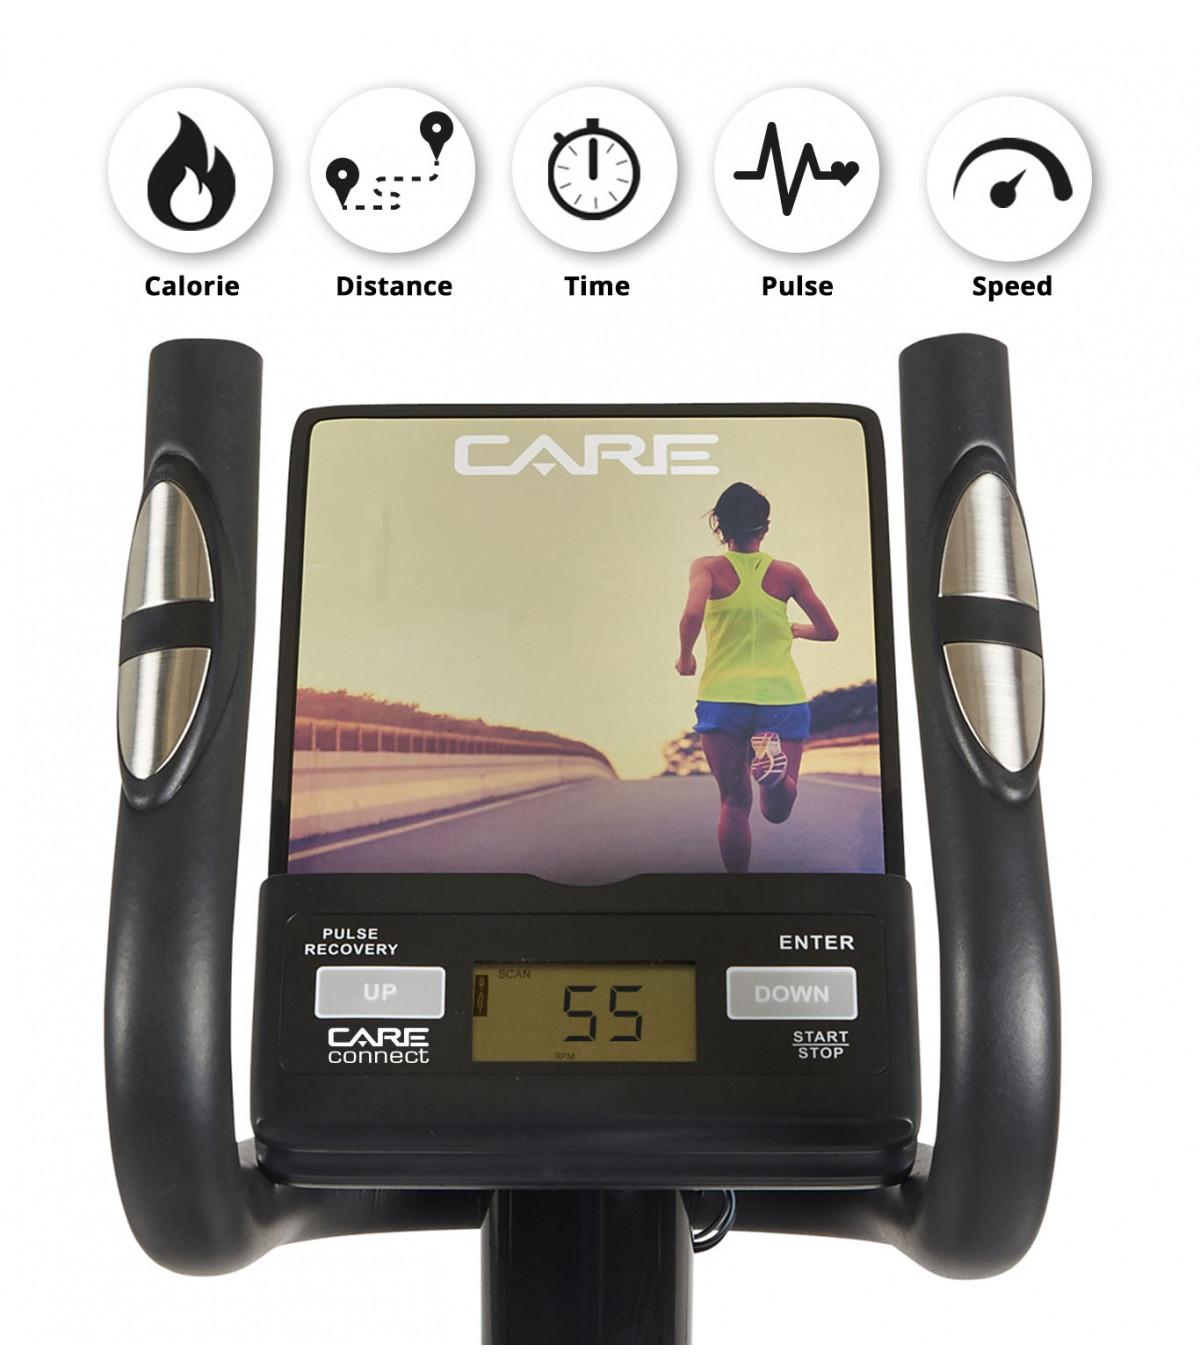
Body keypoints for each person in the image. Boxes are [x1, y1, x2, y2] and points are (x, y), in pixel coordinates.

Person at [675, 482, 839, 873]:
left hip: (723, 698)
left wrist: (685, 656)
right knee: (776, 812)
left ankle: (739, 891)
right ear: (765, 528)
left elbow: (693, 614)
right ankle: (775, 777)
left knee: (733, 803)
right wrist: (794, 629)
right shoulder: (787, 574)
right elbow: (829, 631)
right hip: (781, 698)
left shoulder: (706, 568)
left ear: (720, 526)